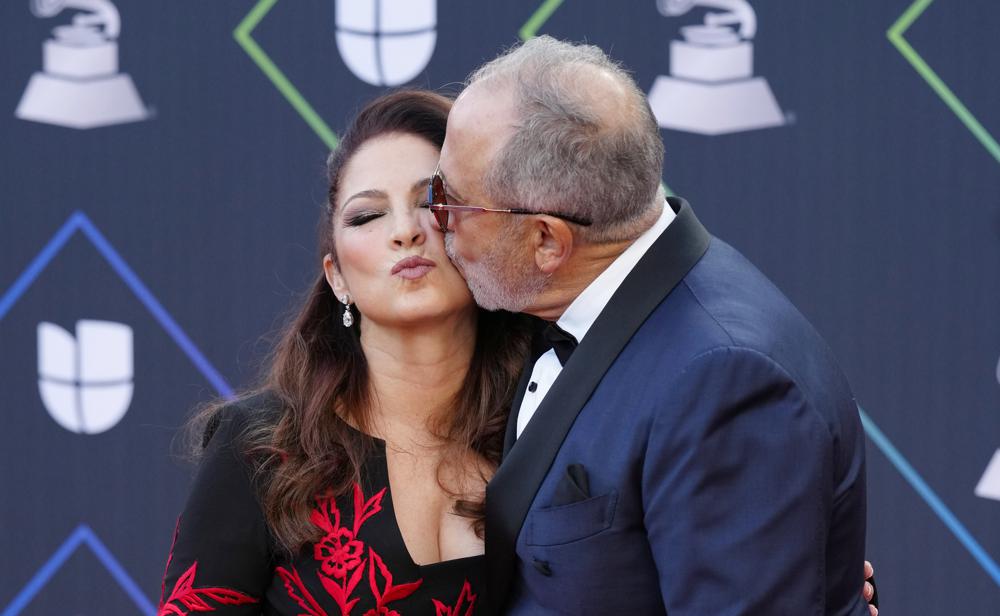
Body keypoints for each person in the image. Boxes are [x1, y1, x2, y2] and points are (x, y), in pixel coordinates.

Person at [429, 36, 873, 614]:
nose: (437, 224)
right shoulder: (584, 300)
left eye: (449, 201)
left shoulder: (726, 380)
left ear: (546, 240)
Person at [158, 89, 532, 615]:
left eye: (430, 201)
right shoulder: (261, 447)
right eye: (366, 217)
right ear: (337, 278)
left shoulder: (547, 424)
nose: (404, 232)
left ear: (480, 227)